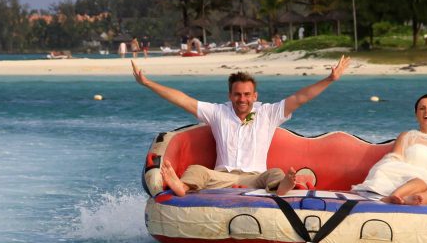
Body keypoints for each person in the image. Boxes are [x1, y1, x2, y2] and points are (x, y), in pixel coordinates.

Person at [132, 56, 351, 196]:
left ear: (255, 96)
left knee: (275, 172)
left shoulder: (268, 113)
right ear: (230, 95)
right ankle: (183, 187)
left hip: (256, 177)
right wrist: (148, 83)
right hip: (221, 177)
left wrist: (330, 79)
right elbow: (183, 99)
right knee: (196, 170)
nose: (242, 99)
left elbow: (301, 97)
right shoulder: (218, 112)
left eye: (247, 94)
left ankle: (282, 187)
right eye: (237, 94)